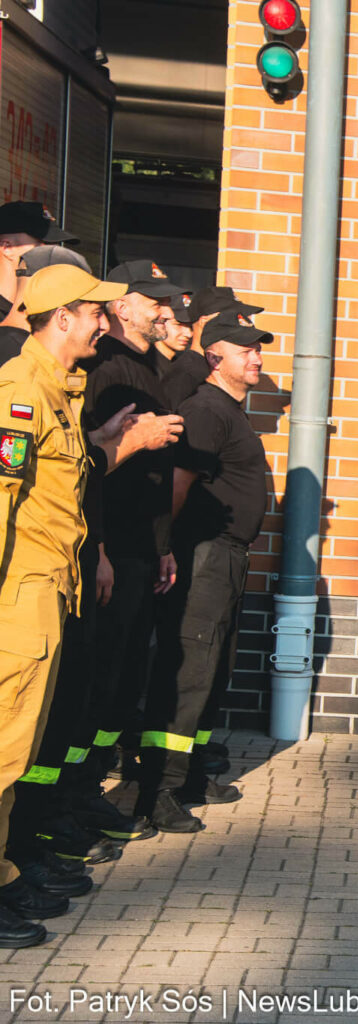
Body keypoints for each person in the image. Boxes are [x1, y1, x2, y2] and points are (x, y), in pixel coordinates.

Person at [0, 265, 126, 947]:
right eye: (94, 313)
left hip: (45, 593)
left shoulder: (57, 394)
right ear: (62, 317)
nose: (103, 324)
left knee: (15, 752)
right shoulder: (19, 394)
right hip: (16, 599)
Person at [135, 311, 270, 831]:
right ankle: (157, 792)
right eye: (245, 351)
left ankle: (189, 776)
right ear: (215, 358)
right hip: (205, 555)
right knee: (189, 672)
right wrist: (165, 546)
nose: (256, 359)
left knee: (212, 670)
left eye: (258, 350)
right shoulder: (207, 411)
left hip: (228, 557)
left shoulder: (229, 410)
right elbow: (177, 484)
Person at [79, 260, 189, 789]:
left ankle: (100, 778)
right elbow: (86, 469)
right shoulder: (104, 368)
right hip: (112, 545)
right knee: (101, 672)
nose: (164, 311)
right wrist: (96, 546)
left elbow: (156, 472)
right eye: (154, 302)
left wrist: (163, 544)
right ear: (122, 306)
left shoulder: (150, 369)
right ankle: (77, 792)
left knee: (126, 673)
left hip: (142, 543)